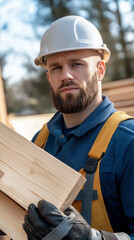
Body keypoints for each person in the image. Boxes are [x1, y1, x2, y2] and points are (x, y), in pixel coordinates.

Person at [23, 15, 134, 240]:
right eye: (56, 67)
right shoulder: (41, 142)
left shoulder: (127, 142)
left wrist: (91, 238)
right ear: (49, 77)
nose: (65, 75)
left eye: (77, 64)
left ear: (100, 70)